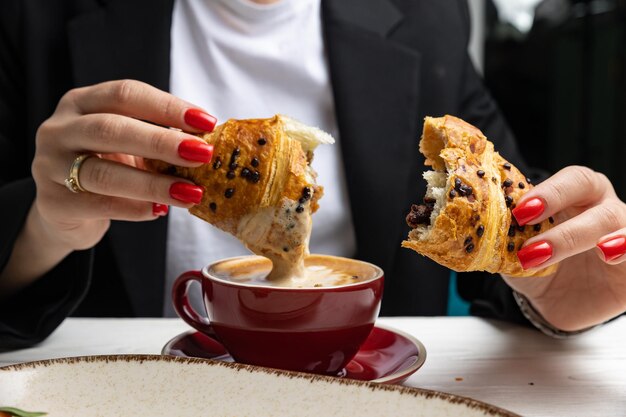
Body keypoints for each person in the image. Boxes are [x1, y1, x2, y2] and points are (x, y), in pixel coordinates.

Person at [0, 0, 624, 350]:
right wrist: (45, 227)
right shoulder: (36, 18)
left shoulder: (427, 17)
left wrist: (553, 284)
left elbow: (507, 215)